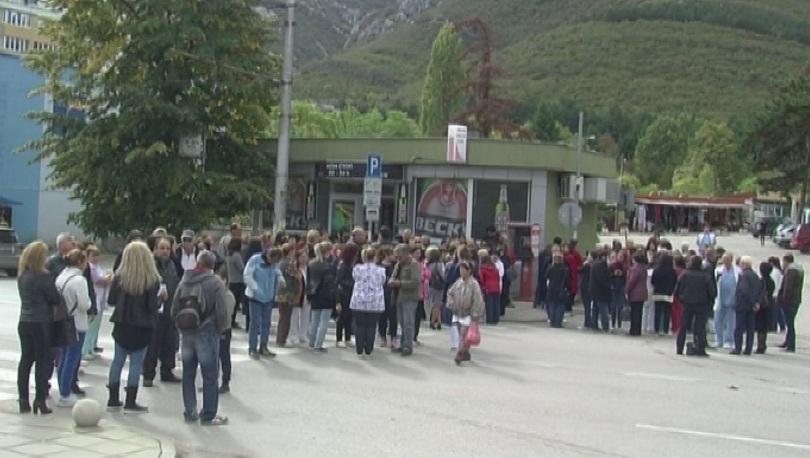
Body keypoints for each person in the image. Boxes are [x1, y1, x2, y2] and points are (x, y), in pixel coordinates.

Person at [171, 251, 230, 426]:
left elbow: (174, 308)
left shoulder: (185, 280)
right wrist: (222, 329)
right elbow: (222, 311)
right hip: (207, 332)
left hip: (187, 332)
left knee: (188, 374)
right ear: (212, 266)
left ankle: (190, 411)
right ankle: (208, 415)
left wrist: (180, 326)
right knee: (210, 375)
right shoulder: (215, 283)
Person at [106, 241, 161, 412]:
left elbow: (111, 301)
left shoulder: (119, 278)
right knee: (136, 364)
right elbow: (153, 306)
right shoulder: (151, 280)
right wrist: (161, 299)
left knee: (117, 361)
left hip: (122, 323)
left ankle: (113, 399)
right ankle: (130, 401)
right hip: (142, 325)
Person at [16, 241, 59, 414]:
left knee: (26, 360)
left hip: (24, 320)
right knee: (42, 360)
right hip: (41, 322)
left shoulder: (23, 275)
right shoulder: (43, 276)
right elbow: (55, 298)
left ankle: (23, 399)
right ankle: (40, 399)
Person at [54, 249, 91, 407]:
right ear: (80, 262)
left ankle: (62, 388)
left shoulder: (61, 276)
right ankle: (65, 392)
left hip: (62, 320)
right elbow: (84, 304)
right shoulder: (79, 280)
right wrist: (90, 304)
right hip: (76, 321)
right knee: (72, 357)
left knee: (63, 355)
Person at [142, 237, 181, 387]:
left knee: (169, 342)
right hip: (154, 310)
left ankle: (167, 371)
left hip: (170, 309)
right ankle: (148, 374)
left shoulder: (172, 264)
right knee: (152, 344)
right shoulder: (150, 265)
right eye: (162, 248)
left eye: (167, 248)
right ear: (155, 249)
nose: (165, 251)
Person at [243, 247, 283, 359]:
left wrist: (280, 278)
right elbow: (247, 275)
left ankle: (263, 346)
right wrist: (255, 287)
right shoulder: (255, 259)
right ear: (269, 256)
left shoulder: (274, 264)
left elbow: (277, 271)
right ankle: (252, 348)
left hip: (268, 297)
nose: (273, 263)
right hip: (256, 297)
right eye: (273, 260)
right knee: (255, 323)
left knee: (266, 323)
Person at [349, 248, 386, 358]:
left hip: (359, 300)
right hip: (375, 301)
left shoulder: (357, 268)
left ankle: (359, 351)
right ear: (375, 257)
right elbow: (383, 282)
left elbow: (354, 278)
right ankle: (369, 350)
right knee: (371, 326)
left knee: (359, 326)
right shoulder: (381, 270)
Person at [447, 261, 485, 365]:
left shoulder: (474, 284)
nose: (461, 271)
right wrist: (451, 303)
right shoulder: (458, 282)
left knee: (464, 334)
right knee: (462, 335)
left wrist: (475, 314)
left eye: (464, 269)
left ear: (469, 271)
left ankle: (460, 353)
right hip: (458, 312)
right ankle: (466, 352)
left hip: (469, 313)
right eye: (460, 269)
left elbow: (478, 300)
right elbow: (450, 293)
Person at [675, 256, 712, 356]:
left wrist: (681, 299)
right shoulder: (705, 276)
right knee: (700, 327)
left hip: (687, 303)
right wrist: (708, 301)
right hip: (701, 304)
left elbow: (677, 290)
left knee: (683, 327)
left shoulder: (684, 274)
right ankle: (700, 348)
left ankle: (679, 348)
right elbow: (712, 292)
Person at [389, 244, 421, 356]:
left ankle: (408, 346)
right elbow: (392, 276)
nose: (398, 259)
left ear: (407, 254)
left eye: (400, 256)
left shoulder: (413, 265)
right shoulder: (398, 265)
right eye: (396, 257)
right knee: (402, 323)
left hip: (409, 297)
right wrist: (392, 281)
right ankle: (402, 344)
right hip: (399, 297)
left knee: (408, 323)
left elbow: (416, 282)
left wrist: (400, 283)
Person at [307, 242, 337, 353]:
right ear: (328, 251)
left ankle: (312, 341)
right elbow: (331, 283)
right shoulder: (329, 266)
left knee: (314, 320)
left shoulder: (311, 264)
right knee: (324, 322)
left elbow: (309, 280)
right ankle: (318, 345)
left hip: (314, 294)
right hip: (326, 295)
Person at [81, 245, 110, 360]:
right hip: (95, 299)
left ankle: (91, 347)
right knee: (90, 327)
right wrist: (108, 277)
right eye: (93, 255)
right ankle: (85, 350)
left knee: (95, 328)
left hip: (100, 299)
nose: (96, 258)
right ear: (87, 256)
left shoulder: (97, 267)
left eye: (98, 255)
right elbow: (101, 281)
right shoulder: (91, 268)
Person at [732, 257, 761, 356]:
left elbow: (744, 290)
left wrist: (752, 302)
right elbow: (759, 290)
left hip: (743, 305)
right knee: (750, 328)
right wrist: (756, 303)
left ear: (744, 264)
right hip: (752, 306)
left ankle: (738, 348)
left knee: (739, 328)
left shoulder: (744, 276)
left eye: (741, 264)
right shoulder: (755, 275)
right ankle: (748, 349)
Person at [275, 243, 301, 347]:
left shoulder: (280, 262)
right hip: (288, 292)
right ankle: (282, 339)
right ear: (290, 251)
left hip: (280, 292)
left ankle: (279, 338)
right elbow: (296, 276)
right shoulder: (289, 262)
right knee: (286, 317)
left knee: (282, 316)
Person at [778, 254, 803, 352]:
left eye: (783, 262)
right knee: (790, 322)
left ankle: (791, 345)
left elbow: (788, 287)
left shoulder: (791, 271)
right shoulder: (798, 269)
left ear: (786, 261)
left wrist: (783, 300)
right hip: (796, 299)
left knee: (790, 323)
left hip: (790, 301)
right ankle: (788, 341)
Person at [714, 253, 740, 349]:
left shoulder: (737, 271)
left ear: (731, 260)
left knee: (731, 322)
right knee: (718, 320)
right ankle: (718, 340)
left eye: (728, 260)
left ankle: (728, 340)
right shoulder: (718, 270)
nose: (726, 262)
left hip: (732, 299)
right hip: (721, 298)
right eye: (724, 260)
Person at [335, 243, 358, 348]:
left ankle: (348, 338)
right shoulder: (343, 265)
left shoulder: (351, 265)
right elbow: (339, 280)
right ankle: (339, 338)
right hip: (343, 293)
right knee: (342, 317)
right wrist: (352, 284)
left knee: (349, 316)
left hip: (351, 293)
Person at [651, 252, 677, 336]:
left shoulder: (656, 269)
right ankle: (665, 329)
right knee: (667, 312)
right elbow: (674, 281)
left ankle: (657, 329)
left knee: (657, 312)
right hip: (668, 293)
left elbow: (653, 281)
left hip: (658, 292)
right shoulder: (672, 271)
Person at [289, 251, 310, 346]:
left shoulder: (309, 269)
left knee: (306, 315)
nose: (304, 258)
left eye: (305, 257)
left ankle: (303, 335)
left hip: (307, 294)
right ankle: (293, 335)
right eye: (302, 256)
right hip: (297, 294)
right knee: (295, 315)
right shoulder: (295, 269)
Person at [625, 252, 648, 336]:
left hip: (635, 293)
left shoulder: (635, 269)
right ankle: (638, 330)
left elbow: (631, 281)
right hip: (642, 292)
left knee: (634, 312)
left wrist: (627, 291)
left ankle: (633, 330)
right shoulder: (644, 268)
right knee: (639, 312)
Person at [225, 238, 245, 330]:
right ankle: (232, 321)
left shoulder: (229, 255)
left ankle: (230, 319)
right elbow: (241, 268)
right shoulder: (237, 256)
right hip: (238, 281)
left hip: (231, 280)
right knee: (236, 303)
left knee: (231, 302)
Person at [545, 251, 569, 328]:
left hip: (551, 289)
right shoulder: (565, 269)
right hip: (561, 289)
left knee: (552, 305)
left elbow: (546, 277)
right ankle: (558, 322)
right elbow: (567, 280)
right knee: (560, 306)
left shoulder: (550, 268)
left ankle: (552, 322)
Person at [589, 250, 611, 332]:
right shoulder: (601, 265)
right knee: (603, 310)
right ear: (604, 257)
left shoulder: (595, 264)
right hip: (601, 291)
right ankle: (605, 326)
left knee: (595, 309)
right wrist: (609, 285)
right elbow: (602, 279)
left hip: (594, 290)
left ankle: (594, 325)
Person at [755, 262, 775, 354]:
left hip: (762, 305)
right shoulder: (771, 281)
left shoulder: (761, 281)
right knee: (764, 327)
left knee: (760, 327)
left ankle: (760, 345)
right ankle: (763, 344)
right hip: (769, 305)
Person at [478, 251, 501, 325]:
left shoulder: (482, 269)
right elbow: (498, 278)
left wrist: (483, 288)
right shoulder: (495, 268)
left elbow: (481, 279)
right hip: (496, 287)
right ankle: (496, 319)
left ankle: (490, 319)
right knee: (496, 304)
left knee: (489, 304)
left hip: (488, 288)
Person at [426, 247, 445, 330]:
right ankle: (433, 322)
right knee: (437, 305)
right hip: (439, 286)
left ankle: (439, 322)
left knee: (434, 303)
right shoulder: (439, 264)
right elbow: (443, 276)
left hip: (431, 285)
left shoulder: (428, 264)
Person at [563, 241, 583, 312]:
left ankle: (568, 305)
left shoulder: (567, 255)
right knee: (571, 290)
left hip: (571, 275)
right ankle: (569, 305)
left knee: (570, 290)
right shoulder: (572, 255)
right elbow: (579, 262)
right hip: (572, 275)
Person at [609, 252, 626, 330]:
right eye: (619, 256)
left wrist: (622, 274)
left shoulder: (624, 266)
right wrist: (614, 274)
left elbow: (626, 277)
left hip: (621, 287)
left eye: (622, 256)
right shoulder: (612, 265)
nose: (621, 258)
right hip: (613, 287)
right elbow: (608, 276)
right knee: (613, 307)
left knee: (620, 307)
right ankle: (612, 323)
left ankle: (619, 324)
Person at [768, 256, 785, 333]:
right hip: (778, 293)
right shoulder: (779, 271)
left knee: (774, 311)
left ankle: (773, 326)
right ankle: (782, 325)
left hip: (774, 294)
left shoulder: (774, 272)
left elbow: (774, 283)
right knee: (778, 311)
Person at [579, 252, 593, 329]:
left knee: (587, 305)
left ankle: (588, 322)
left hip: (585, 286)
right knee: (588, 305)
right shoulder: (591, 265)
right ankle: (588, 321)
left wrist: (584, 263)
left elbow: (579, 270)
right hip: (589, 286)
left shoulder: (587, 266)